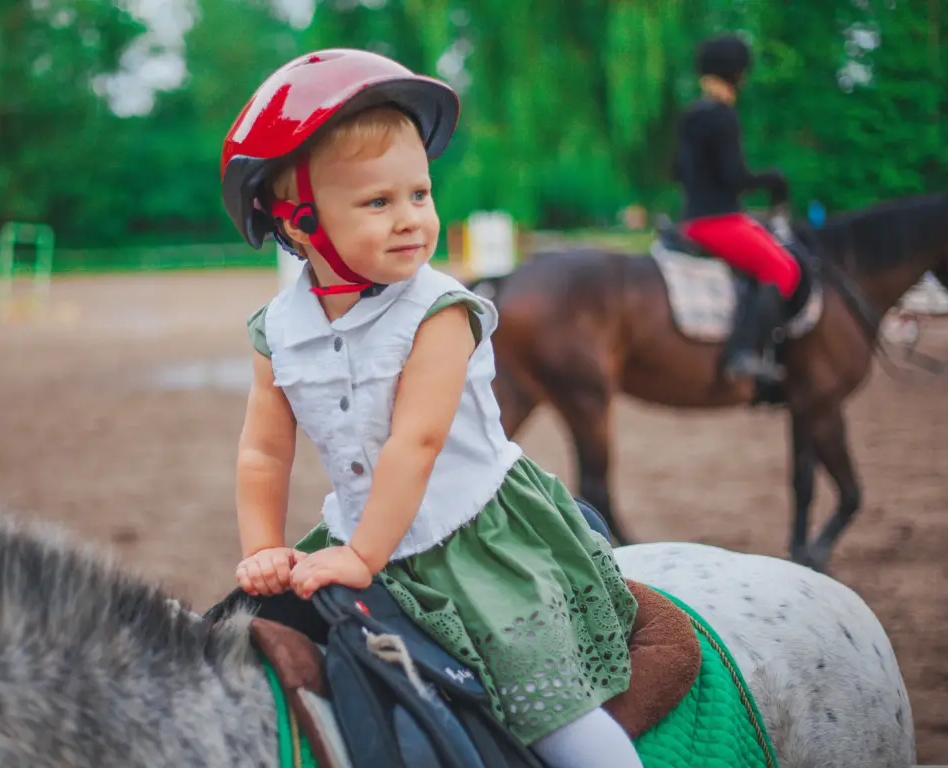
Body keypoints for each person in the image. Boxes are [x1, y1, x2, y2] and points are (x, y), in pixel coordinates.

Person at [220, 49, 642, 768]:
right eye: (378, 203)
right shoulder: (278, 329)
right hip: (361, 531)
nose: (412, 218)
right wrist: (263, 545)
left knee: (549, 714)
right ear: (295, 223)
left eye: (420, 193)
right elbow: (264, 449)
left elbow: (414, 444)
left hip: (473, 538)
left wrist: (361, 558)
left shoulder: (438, 313)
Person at [672, 33, 800, 382]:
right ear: (737, 74)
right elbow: (734, 178)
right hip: (718, 221)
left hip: (689, 220)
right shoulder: (723, 116)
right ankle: (742, 352)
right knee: (784, 268)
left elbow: (677, 171)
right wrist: (774, 180)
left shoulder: (692, 114)